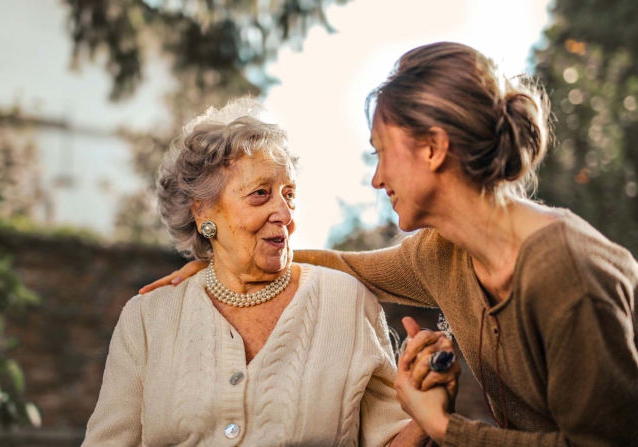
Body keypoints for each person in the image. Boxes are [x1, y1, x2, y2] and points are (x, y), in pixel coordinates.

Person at [140, 42, 638, 446]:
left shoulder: (567, 273)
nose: (377, 179)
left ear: (433, 148)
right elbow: (346, 267)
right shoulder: (442, 253)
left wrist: (444, 427)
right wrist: (225, 264)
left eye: (381, 154)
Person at [82, 98, 447, 446]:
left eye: (289, 194)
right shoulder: (147, 319)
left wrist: (425, 416)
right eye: (260, 194)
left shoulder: (346, 302)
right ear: (203, 212)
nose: (286, 215)